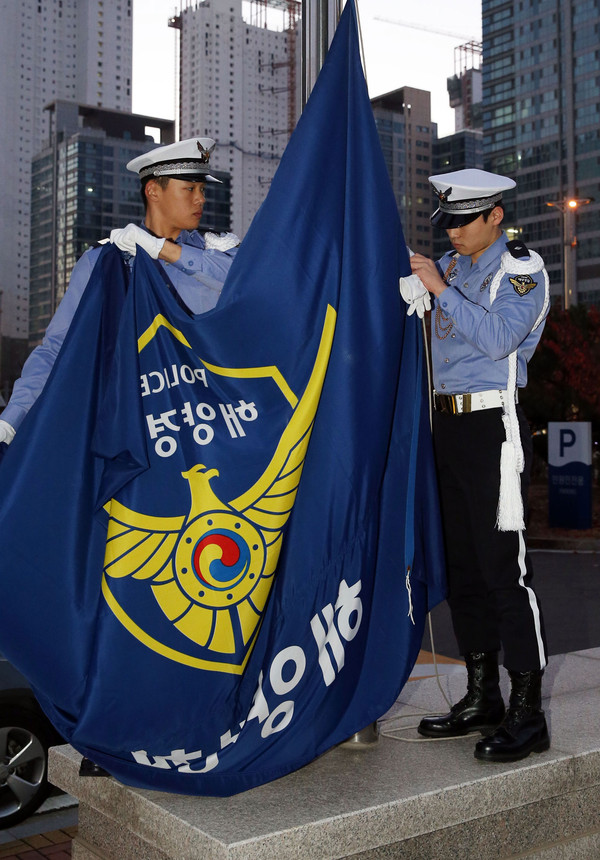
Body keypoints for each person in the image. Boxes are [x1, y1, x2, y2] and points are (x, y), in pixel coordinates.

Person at [404, 168, 550, 763]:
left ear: (495, 215)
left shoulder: (520, 269)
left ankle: (527, 710)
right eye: (449, 222)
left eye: (465, 220)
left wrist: (440, 288)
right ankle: (482, 693)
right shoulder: (452, 267)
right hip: (449, 428)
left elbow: (498, 341)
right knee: (463, 568)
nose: (455, 232)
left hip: (494, 425)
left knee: (502, 572)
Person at [0, 137, 239, 448]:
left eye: (203, 191)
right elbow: (58, 348)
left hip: (209, 422)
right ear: (154, 191)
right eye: (189, 189)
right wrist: (12, 417)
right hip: (137, 425)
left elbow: (244, 285)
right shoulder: (104, 263)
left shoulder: (216, 253)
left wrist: (161, 250)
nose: (201, 200)